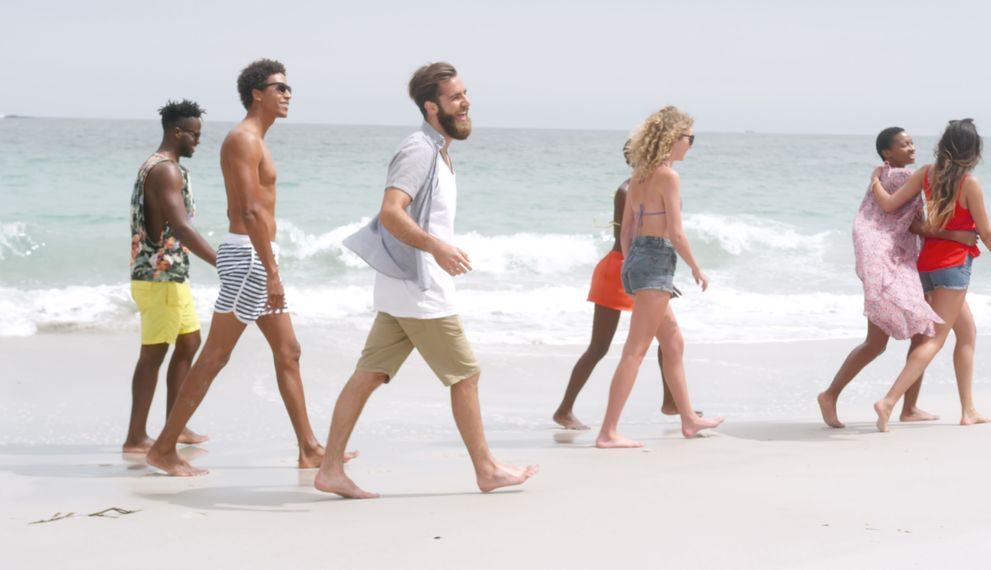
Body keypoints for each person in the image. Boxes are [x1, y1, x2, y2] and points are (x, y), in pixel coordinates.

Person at [315, 62, 538, 499]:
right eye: (456, 98)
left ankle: (329, 470)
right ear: (432, 106)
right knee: (465, 376)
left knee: (369, 374)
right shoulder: (419, 149)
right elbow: (391, 212)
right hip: (421, 289)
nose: (466, 102)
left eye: (465, 93)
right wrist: (437, 247)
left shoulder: (438, 151)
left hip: (405, 287)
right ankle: (487, 470)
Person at [146, 59, 343, 475]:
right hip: (250, 259)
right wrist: (271, 271)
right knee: (215, 356)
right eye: (280, 88)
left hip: (258, 256)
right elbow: (251, 211)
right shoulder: (243, 139)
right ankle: (163, 448)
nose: (288, 95)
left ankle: (309, 448)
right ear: (257, 93)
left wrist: (270, 264)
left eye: (290, 89)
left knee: (289, 352)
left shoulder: (256, 139)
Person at [869, 119, 991, 432]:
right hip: (953, 268)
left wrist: (875, 180)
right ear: (973, 150)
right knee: (935, 341)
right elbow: (986, 233)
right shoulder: (969, 183)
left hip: (927, 265)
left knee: (968, 333)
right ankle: (889, 401)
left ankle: (968, 409)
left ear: (944, 144)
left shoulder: (927, 173)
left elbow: (889, 205)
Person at [817, 127, 978, 428]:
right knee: (880, 342)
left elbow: (891, 212)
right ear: (887, 153)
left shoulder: (888, 175)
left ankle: (909, 407)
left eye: (912, 142)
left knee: (916, 333)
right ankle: (831, 394)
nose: (912, 147)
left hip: (892, 263)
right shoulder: (903, 177)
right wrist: (957, 233)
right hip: (892, 265)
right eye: (903, 145)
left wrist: (875, 180)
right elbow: (915, 224)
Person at [595, 106, 724, 449]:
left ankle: (689, 419)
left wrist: (628, 265)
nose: (690, 146)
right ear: (672, 139)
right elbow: (677, 234)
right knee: (634, 352)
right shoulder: (668, 176)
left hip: (638, 257)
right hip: (655, 260)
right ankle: (608, 432)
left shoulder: (640, 174)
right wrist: (696, 268)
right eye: (689, 138)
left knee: (673, 342)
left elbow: (627, 230)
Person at [553, 142, 686, 430]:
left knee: (668, 338)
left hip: (639, 267)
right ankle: (564, 410)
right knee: (599, 347)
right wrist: (649, 276)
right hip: (621, 268)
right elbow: (629, 237)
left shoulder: (648, 185)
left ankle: (671, 402)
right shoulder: (628, 189)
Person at [123, 100, 215, 453]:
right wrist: (222, 263)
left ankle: (176, 426)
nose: (198, 141)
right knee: (154, 354)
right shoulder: (165, 171)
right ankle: (135, 437)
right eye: (194, 134)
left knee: (189, 342)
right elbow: (181, 227)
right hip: (159, 278)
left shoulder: (162, 167)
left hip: (171, 276)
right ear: (177, 132)